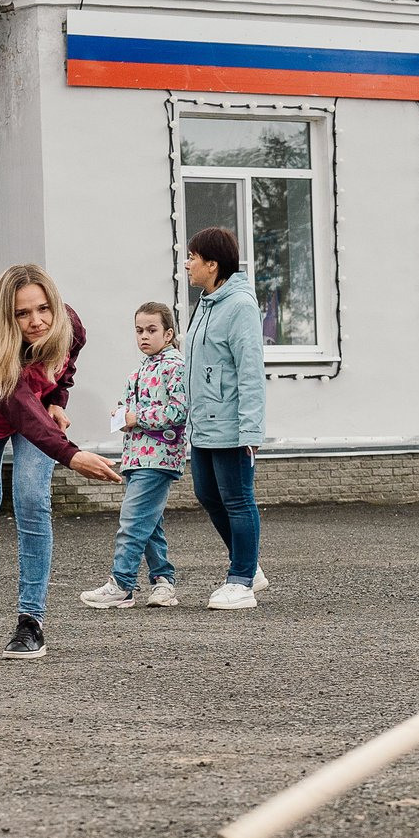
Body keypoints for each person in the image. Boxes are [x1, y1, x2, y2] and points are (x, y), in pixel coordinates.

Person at [0, 264, 123, 659]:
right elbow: (20, 407)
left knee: (30, 499)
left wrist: (56, 401)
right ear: (4, 317)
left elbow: (64, 369)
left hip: (32, 413)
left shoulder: (69, 325)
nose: (37, 321)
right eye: (22, 313)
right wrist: (72, 454)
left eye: (43, 308)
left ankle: (31, 621)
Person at [80, 303, 190, 609]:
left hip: (160, 458)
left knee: (131, 521)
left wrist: (135, 416)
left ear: (168, 334)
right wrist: (122, 414)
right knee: (149, 523)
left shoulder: (175, 367)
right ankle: (164, 584)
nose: (144, 336)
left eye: (152, 330)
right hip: (137, 456)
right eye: (139, 330)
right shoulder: (140, 370)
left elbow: (179, 411)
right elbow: (134, 412)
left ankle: (122, 584)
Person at [183, 227, 270, 611]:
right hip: (203, 424)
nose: (187, 264)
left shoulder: (240, 307)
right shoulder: (206, 303)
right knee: (207, 494)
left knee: (237, 499)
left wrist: (250, 431)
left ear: (212, 264)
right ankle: (250, 565)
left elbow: (250, 372)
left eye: (193, 257)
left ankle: (241, 581)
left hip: (232, 426)